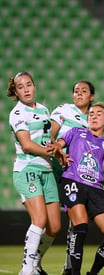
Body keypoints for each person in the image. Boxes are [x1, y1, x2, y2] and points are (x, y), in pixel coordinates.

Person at [53, 102, 104, 275]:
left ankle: (93, 273)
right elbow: (59, 142)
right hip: (73, 182)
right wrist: (58, 148)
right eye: (91, 114)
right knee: (81, 226)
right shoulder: (76, 132)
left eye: (99, 114)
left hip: (96, 189)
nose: (93, 116)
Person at [7, 72, 62, 275]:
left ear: (35, 86)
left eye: (28, 85)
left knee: (54, 227)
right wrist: (54, 151)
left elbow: (47, 140)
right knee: (39, 220)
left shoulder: (43, 109)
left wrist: (56, 152)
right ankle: (26, 269)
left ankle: (35, 264)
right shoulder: (18, 113)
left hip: (46, 170)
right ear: (16, 91)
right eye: (21, 87)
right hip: (28, 169)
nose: (26, 89)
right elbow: (27, 145)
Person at [50, 80, 95, 275]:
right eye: (76, 91)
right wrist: (57, 152)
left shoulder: (93, 119)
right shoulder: (64, 110)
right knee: (47, 222)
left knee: (75, 223)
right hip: (56, 168)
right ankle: (32, 264)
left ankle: (68, 267)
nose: (78, 94)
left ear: (91, 96)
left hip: (77, 175)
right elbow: (49, 135)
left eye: (83, 91)